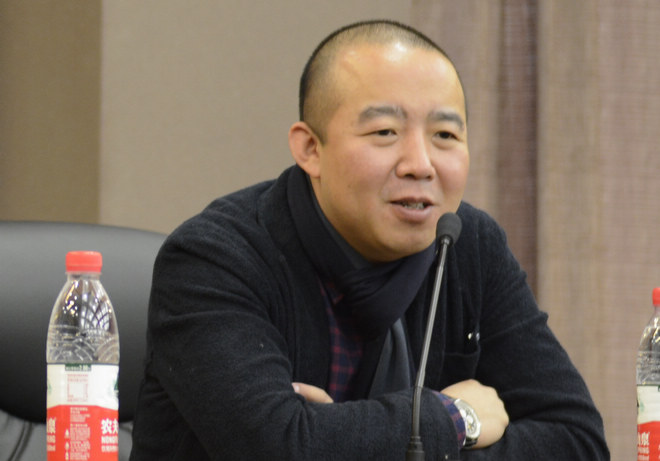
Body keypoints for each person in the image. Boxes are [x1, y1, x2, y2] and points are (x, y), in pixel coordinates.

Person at [129, 20, 609, 460]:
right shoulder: (214, 258)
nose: (420, 164)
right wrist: (455, 418)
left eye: (445, 135)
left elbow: (577, 441)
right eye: (385, 131)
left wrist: (343, 438)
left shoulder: (467, 245)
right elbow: (277, 447)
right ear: (310, 148)